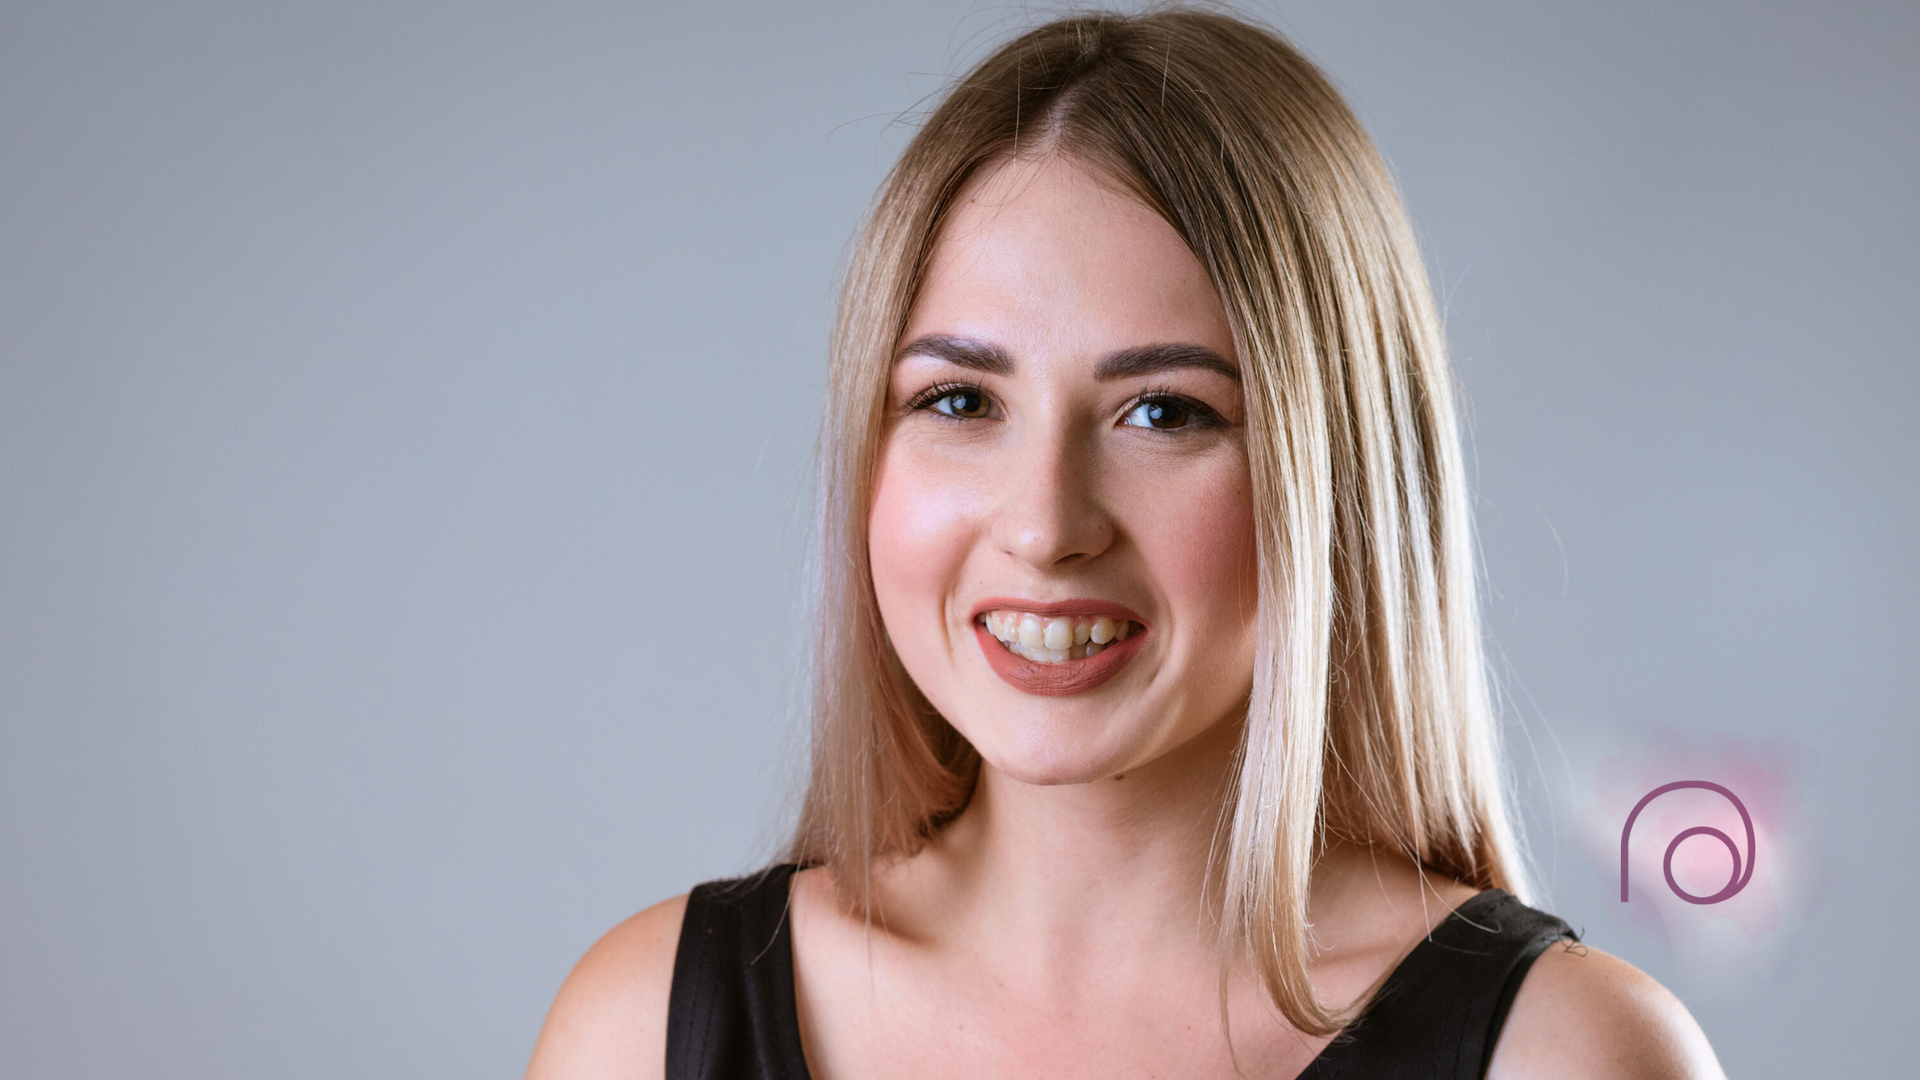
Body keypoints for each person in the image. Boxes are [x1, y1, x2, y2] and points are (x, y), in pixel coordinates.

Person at [527, 9, 1724, 1079]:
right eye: (959, 402)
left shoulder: (1569, 1059)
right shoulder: (641, 1034)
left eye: (1166, 412)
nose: (1047, 527)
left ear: (1338, 482)